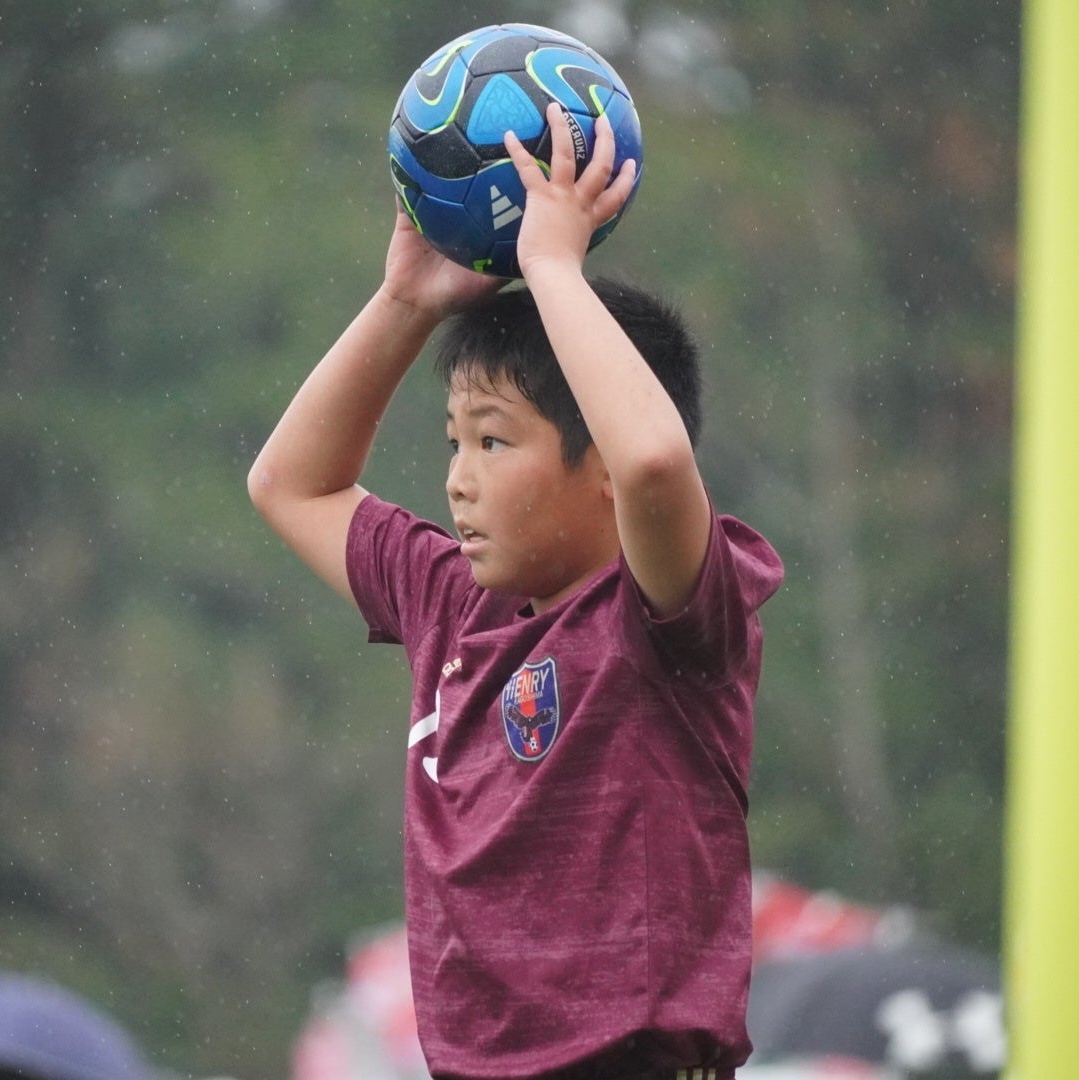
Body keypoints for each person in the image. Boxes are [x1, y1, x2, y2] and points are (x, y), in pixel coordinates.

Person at [248, 103, 783, 1080]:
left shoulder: (665, 616)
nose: (458, 479)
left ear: (600, 465)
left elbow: (655, 462)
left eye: (493, 441)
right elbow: (292, 485)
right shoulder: (448, 605)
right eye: (454, 441)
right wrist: (405, 302)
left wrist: (552, 269)